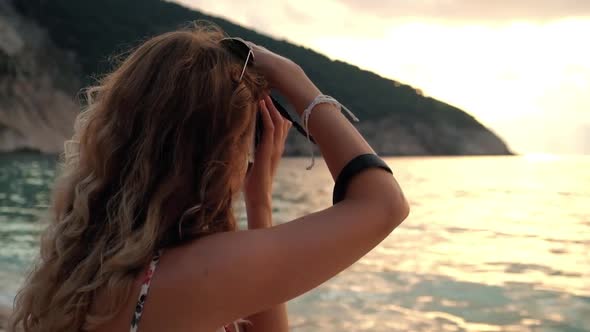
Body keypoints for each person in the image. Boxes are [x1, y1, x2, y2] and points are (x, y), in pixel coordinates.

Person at [9, 23, 409, 332]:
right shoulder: (192, 274)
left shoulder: (94, 260)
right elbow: (384, 204)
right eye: (242, 139)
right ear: (216, 152)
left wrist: (259, 204)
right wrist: (293, 77)